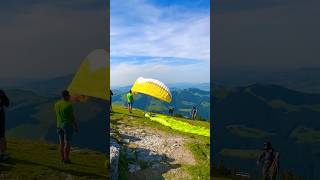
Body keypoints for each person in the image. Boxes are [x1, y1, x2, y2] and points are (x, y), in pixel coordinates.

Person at [54, 90, 79, 164]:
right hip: (67, 125)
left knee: (61, 143)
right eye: (69, 95)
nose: (70, 97)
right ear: (66, 96)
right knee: (67, 142)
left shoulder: (56, 104)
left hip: (59, 124)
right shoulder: (68, 105)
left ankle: (62, 158)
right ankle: (66, 159)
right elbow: (72, 117)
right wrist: (75, 126)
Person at [0, 90, 10, 161]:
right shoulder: (1, 92)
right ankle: (3, 153)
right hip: (1, 116)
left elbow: (7, 103)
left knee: (1, 136)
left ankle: (3, 154)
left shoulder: (1, 93)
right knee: (1, 136)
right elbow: (7, 103)